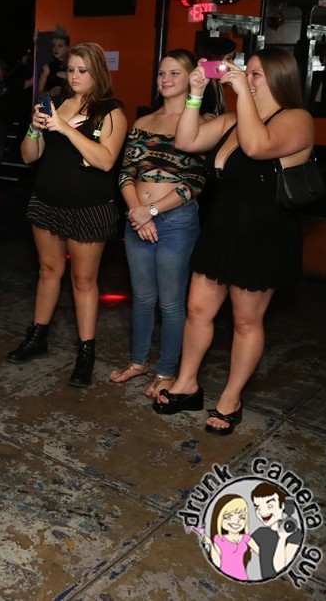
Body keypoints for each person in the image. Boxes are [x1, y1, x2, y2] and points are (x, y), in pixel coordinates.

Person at [153, 48, 315, 434]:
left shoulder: (297, 119)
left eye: (255, 73)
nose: (245, 77)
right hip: (220, 234)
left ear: (278, 77)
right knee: (197, 310)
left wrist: (241, 92)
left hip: (262, 239)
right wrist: (195, 94)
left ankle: (231, 398)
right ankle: (186, 384)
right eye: (246, 71)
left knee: (245, 320)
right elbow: (186, 141)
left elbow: (257, 146)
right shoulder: (230, 120)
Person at [7, 42, 127, 387]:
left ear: (97, 72)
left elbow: (106, 160)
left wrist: (64, 128)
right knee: (48, 271)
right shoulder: (58, 103)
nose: (74, 76)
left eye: (82, 71)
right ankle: (37, 337)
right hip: (48, 201)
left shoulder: (111, 112)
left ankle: (86, 353)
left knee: (83, 281)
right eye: (71, 69)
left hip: (89, 207)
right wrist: (34, 127)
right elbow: (29, 156)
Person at [111, 50, 207, 398]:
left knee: (170, 303)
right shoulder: (143, 121)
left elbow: (195, 181)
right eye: (162, 73)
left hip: (175, 222)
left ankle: (166, 372)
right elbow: (126, 172)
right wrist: (138, 212)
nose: (165, 79)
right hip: (137, 219)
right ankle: (138, 362)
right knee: (141, 299)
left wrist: (150, 212)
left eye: (174, 73)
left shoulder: (201, 123)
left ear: (191, 78)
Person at [250, 483, 302, 579]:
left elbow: (279, 568)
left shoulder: (295, 534)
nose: (262, 512)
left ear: (282, 505)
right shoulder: (260, 533)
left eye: (269, 506)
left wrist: (282, 538)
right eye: (257, 507)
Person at [200, 495, 258, 581]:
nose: (236, 521)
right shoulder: (219, 539)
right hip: (223, 578)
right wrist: (210, 544)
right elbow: (217, 563)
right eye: (228, 517)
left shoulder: (246, 538)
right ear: (219, 518)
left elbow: (263, 553)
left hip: (242, 577)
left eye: (242, 517)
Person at [197, 36, 237, 120]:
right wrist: (199, 118)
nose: (232, 63)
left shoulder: (218, 83)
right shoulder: (197, 83)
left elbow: (224, 112)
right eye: (229, 58)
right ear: (214, 58)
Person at [36, 26, 70, 99]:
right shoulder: (46, 68)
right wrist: (49, 93)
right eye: (54, 46)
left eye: (60, 46)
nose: (56, 49)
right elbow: (38, 93)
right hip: (53, 104)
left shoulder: (72, 67)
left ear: (67, 48)